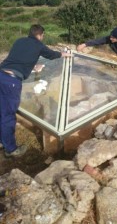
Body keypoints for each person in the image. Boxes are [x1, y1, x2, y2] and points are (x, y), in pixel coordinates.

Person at [0, 24, 71, 157]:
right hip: (11, 82)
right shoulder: (38, 45)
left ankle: (3, 140)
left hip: (1, 74)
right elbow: (51, 55)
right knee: (8, 116)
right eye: (42, 36)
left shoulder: (19, 41)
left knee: (1, 111)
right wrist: (64, 54)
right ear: (40, 35)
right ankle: (11, 150)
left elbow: (19, 59)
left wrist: (33, 67)